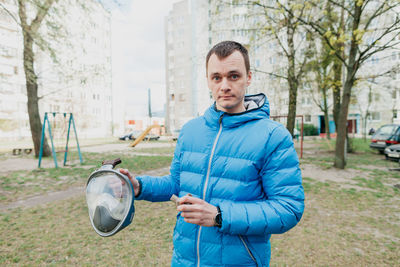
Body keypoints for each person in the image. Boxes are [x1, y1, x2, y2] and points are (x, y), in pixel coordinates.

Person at [120, 41, 304, 267]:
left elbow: (288, 209)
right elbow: (177, 184)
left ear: (249, 77)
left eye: (233, 76)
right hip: (184, 260)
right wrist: (139, 186)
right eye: (217, 77)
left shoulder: (273, 136)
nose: (224, 85)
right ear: (208, 80)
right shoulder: (190, 130)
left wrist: (220, 216)